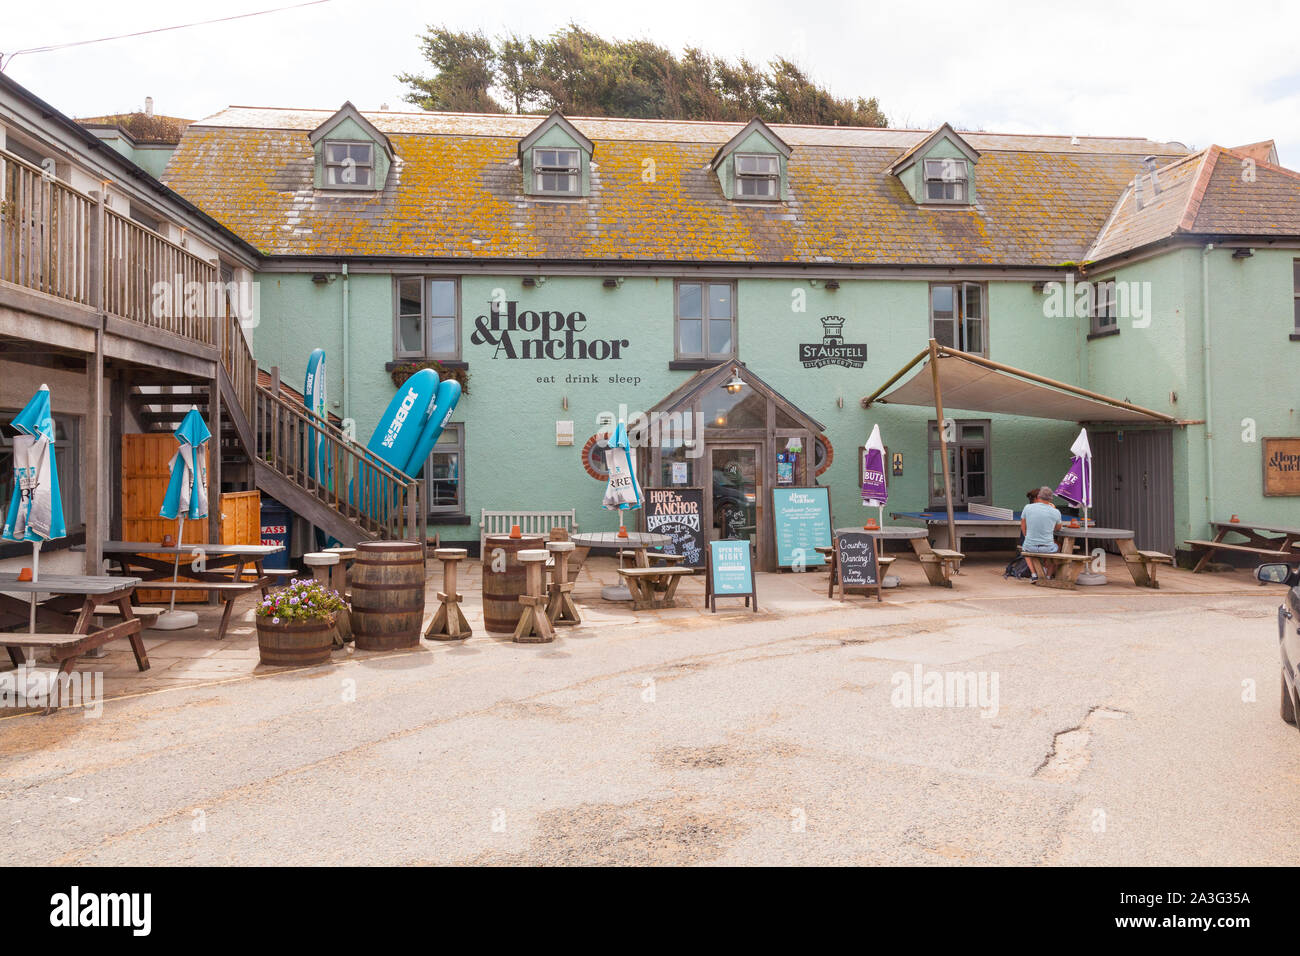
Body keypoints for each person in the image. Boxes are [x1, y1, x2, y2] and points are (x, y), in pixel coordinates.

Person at [1020, 485, 1063, 581]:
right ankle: (1048, 576)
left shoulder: (1027, 508)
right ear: (1050, 499)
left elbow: (1023, 526)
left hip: (1030, 546)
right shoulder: (1056, 512)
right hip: (1047, 548)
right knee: (1058, 546)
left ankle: (1034, 574)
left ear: (1039, 496)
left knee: (1025, 549)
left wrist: (1028, 537)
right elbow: (1058, 528)